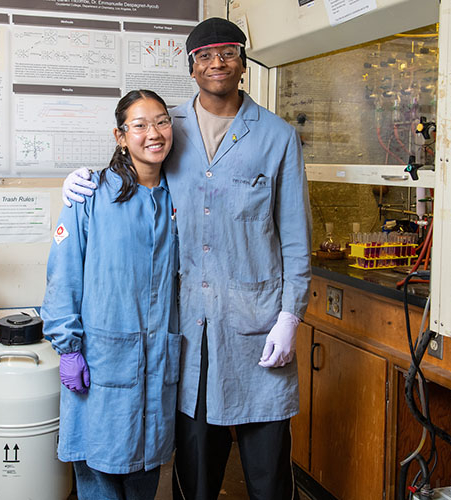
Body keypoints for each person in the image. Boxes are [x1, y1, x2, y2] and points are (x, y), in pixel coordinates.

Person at [63, 17, 311, 500]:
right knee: (194, 476)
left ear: (244, 63)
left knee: (269, 476)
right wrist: (78, 183)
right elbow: (127, 172)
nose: (217, 62)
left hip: (257, 326)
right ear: (191, 67)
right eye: (205, 55)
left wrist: (290, 316)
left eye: (228, 53)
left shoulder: (278, 137)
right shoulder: (167, 127)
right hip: (188, 329)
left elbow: (297, 238)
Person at [42, 89, 181, 500]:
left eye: (161, 121)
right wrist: (68, 348)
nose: (153, 133)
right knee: (99, 482)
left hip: (157, 368)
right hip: (100, 366)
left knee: (143, 479)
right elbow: (62, 277)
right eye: (139, 125)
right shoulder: (90, 195)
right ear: (120, 136)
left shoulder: (181, 196)